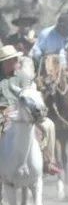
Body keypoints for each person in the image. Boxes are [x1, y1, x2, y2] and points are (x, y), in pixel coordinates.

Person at [0, 44, 59, 175]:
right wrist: (3, 109)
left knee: (49, 125)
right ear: (4, 62)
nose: (16, 62)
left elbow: (30, 96)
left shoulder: (23, 77)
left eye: (16, 59)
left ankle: (48, 162)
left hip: (24, 113)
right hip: (2, 115)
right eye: (13, 60)